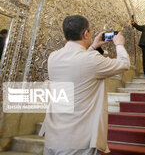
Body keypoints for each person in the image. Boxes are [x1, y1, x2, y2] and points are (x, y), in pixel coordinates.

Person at [40, 15, 130, 154]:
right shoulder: (90, 59)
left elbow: (78, 64)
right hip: (78, 140)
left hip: (54, 136)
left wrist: (93, 46)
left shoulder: (53, 57)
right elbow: (124, 64)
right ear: (86, 33)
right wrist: (119, 44)